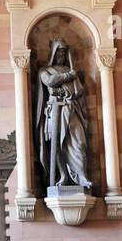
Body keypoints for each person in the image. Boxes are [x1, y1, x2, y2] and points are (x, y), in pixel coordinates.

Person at [34, 39, 92, 189]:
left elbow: (79, 90)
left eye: (64, 52)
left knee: (80, 142)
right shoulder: (45, 71)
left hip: (72, 110)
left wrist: (68, 85)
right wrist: (68, 77)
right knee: (57, 144)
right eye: (59, 52)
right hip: (54, 112)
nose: (62, 55)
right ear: (53, 53)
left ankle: (81, 176)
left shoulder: (69, 70)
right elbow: (50, 81)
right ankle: (63, 176)